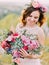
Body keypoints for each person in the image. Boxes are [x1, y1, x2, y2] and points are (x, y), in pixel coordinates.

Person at [12, 1, 47, 65]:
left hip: (31, 62)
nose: (32, 19)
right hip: (19, 62)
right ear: (25, 15)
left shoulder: (39, 31)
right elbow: (16, 44)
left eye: (36, 17)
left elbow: (41, 53)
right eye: (30, 16)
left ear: (39, 18)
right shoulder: (19, 26)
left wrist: (29, 56)